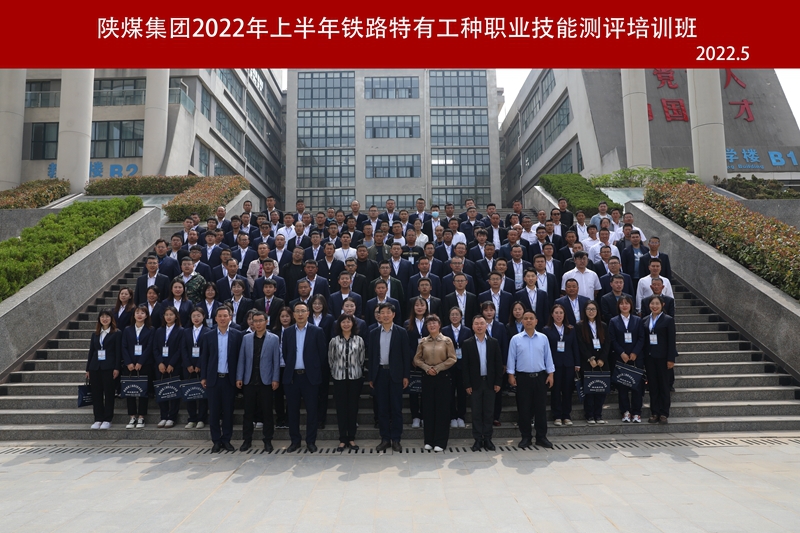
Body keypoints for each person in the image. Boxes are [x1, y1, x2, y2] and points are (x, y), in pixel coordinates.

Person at [282, 302, 328, 453]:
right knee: (292, 411)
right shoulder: (287, 332)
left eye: (303, 311)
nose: (300, 314)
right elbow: (286, 353)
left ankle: (311, 441)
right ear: (293, 315)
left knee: (312, 411)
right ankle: (295, 441)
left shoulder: (317, 331)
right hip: (293, 377)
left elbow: (322, 355)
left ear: (308, 313)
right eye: (297, 311)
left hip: (310, 377)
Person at [507, 310, 554, 449]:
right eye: (526, 318)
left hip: (540, 377)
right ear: (522, 321)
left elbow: (548, 357)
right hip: (523, 378)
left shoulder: (543, 338)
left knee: (540, 409)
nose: (528, 321)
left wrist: (551, 374)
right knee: (524, 409)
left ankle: (541, 437)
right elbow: (511, 358)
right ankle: (526, 437)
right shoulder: (516, 339)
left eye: (531, 318)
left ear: (536, 321)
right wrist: (510, 375)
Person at [200, 305, 244, 453]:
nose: (223, 318)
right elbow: (204, 358)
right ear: (215, 318)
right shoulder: (208, 335)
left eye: (225, 316)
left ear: (230, 317)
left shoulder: (237, 335)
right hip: (213, 379)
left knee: (228, 411)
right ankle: (216, 441)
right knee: (213, 412)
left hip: (229, 380)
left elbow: (240, 358)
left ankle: (226, 440)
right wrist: (203, 376)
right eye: (220, 316)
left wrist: (239, 377)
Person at [368, 302, 411, 453]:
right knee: (382, 409)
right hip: (380, 374)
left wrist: (406, 375)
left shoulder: (401, 332)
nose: (385, 315)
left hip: (396, 375)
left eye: (388, 312)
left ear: (393, 315)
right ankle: (385, 438)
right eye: (382, 313)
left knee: (396, 408)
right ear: (378, 315)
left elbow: (406, 355)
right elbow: (371, 356)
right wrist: (371, 376)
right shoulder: (373, 333)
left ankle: (396, 439)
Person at [236, 311, 281, 453]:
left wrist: (275, 378)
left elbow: (276, 360)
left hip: (266, 381)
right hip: (249, 380)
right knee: (248, 412)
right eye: (255, 321)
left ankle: (267, 440)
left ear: (266, 321)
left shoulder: (274, 338)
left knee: (267, 412)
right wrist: (239, 377)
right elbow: (242, 359)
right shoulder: (246, 338)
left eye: (261, 320)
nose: (258, 323)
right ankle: (247, 440)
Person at [413, 314, 457, 452]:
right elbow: (417, 359)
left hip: (442, 376)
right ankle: (429, 440)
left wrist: (438, 368)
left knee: (442, 409)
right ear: (426, 326)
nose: (432, 325)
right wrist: (427, 368)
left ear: (439, 325)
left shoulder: (447, 341)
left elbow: (452, 358)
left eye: (434, 323)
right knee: (428, 409)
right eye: (429, 323)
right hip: (427, 377)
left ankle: (440, 441)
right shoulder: (423, 342)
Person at [462, 315, 503, 451]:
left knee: (489, 412)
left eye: (481, 323)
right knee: (476, 413)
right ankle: (478, 439)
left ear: (486, 326)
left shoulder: (493, 342)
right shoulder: (467, 343)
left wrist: (498, 382)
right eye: (476, 324)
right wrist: (467, 384)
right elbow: (465, 366)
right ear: (472, 326)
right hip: (475, 384)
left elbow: (498, 364)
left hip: (490, 383)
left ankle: (488, 439)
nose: (479, 326)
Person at [328, 314, 366, 452]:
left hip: (355, 378)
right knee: (341, 408)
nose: (346, 324)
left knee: (353, 408)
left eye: (348, 322)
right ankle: (342, 439)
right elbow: (331, 359)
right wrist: (337, 371)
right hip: (339, 378)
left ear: (353, 324)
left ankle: (351, 437)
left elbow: (361, 359)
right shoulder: (334, 341)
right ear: (339, 324)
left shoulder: (359, 340)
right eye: (343, 322)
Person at [608, 296, 646, 423]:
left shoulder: (637, 320)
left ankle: (636, 412)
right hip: (621, 358)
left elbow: (641, 337)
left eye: (627, 303)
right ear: (618, 306)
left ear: (631, 305)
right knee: (622, 386)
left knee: (637, 386)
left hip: (636, 358)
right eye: (622, 304)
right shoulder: (613, 321)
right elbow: (612, 339)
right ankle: (625, 411)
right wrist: (622, 353)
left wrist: (635, 352)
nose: (624, 306)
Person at [642, 296, 678, 424]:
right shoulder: (645, 320)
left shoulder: (668, 320)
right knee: (653, 386)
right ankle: (654, 412)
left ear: (662, 305)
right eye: (652, 303)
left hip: (663, 358)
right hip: (650, 358)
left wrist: (671, 359)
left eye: (657, 303)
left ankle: (664, 413)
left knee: (664, 385)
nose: (654, 306)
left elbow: (671, 341)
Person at [543, 304, 581, 427]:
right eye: (556, 313)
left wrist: (577, 363)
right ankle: (557, 416)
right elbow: (546, 349)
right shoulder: (546, 330)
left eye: (561, 313)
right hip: (554, 364)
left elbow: (575, 346)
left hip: (569, 364)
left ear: (564, 315)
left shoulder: (571, 329)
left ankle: (566, 415)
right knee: (555, 390)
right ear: (552, 314)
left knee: (567, 390)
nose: (559, 315)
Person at [576, 301, 610, 424]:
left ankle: (598, 415)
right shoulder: (580, 326)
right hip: (588, 362)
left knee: (601, 389)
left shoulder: (603, 325)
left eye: (593, 309)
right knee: (589, 390)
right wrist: (590, 358)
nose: (591, 312)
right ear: (584, 311)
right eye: (588, 309)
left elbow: (607, 343)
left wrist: (602, 359)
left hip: (602, 362)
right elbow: (580, 344)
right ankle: (589, 415)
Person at [85, 309, 120, 429]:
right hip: (95, 367)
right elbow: (91, 352)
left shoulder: (116, 333)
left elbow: (118, 352)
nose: (105, 319)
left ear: (111, 319)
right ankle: (98, 418)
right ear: (99, 319)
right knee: (96, 394)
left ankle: (107, 419)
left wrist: (117, 368)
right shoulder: (95, 334)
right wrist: (88, 369)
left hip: (109, 367)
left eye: (107, 316)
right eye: (102, 317)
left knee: (109, 393)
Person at [121, 304, 153, 429]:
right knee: (130, 390)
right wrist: (128, 362)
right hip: (129, 365)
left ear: (146, 315)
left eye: (142, 313)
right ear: (133, 315)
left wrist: (140, 362)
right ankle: (132, 416)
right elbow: (124, 346)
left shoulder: (151, 329)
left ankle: (141, 416)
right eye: (137, 313)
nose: (139, 315)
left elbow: (149, 347)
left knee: (143, 391)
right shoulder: (127, 329)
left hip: (144, 365)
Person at [441, 307, 472, 429]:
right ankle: (452, 416)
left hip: (462, 366)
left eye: (457, 314)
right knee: (449, 392)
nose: (454, 317)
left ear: (461, 316)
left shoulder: (467, 330)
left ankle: (461, 416)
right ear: (449, 317)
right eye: (452, 315)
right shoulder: (444, 330)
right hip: (449, 366)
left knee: (462, 392)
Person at [153, 305, 183, 428]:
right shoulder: (159, 330)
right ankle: (163, 416)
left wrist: (171, 364)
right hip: (160, 366)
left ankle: (172, 417)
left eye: (171, 314)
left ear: (176, 316)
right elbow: (155, 348)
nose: (169, 317)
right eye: (166, 315)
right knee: (162, 390)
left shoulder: (180, 330)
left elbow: (180, 349)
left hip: (174, 365)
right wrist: (160, 362)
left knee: (174, 391)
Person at [181, 308, 211, 429]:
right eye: (194, 316)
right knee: (190, 392)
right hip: (188, 367)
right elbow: (183, 349)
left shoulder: (208, 331)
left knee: (202, 393)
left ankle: (201, 419)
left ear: (203, 317)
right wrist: (188, 364)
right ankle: (192, 418)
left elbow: (206, 351)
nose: (196, 318)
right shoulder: (186, 331)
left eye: (199, 315)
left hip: (202, 367)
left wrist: (199, 365)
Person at [405, 297, 429, 429]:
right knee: (413, 390)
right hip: (412, 362)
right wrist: (414, 358)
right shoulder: (407, 323)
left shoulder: (431, 322)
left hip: (428, 361)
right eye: (417, 305)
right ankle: (415, 416)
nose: (419, 307)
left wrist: (424, 359)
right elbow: (406, 343)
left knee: (426, 390)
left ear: (426, 307)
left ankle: (425, 416)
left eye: (422, 305)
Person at [272, 307, 294, 429]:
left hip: (290, 367)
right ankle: (280, 419)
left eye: (287, 316)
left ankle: (289, 419)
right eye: (282, 316)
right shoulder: (274, 331)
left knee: (291, 395)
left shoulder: (295, 330)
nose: (285, 318)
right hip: (277, 367)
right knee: (278, 395)